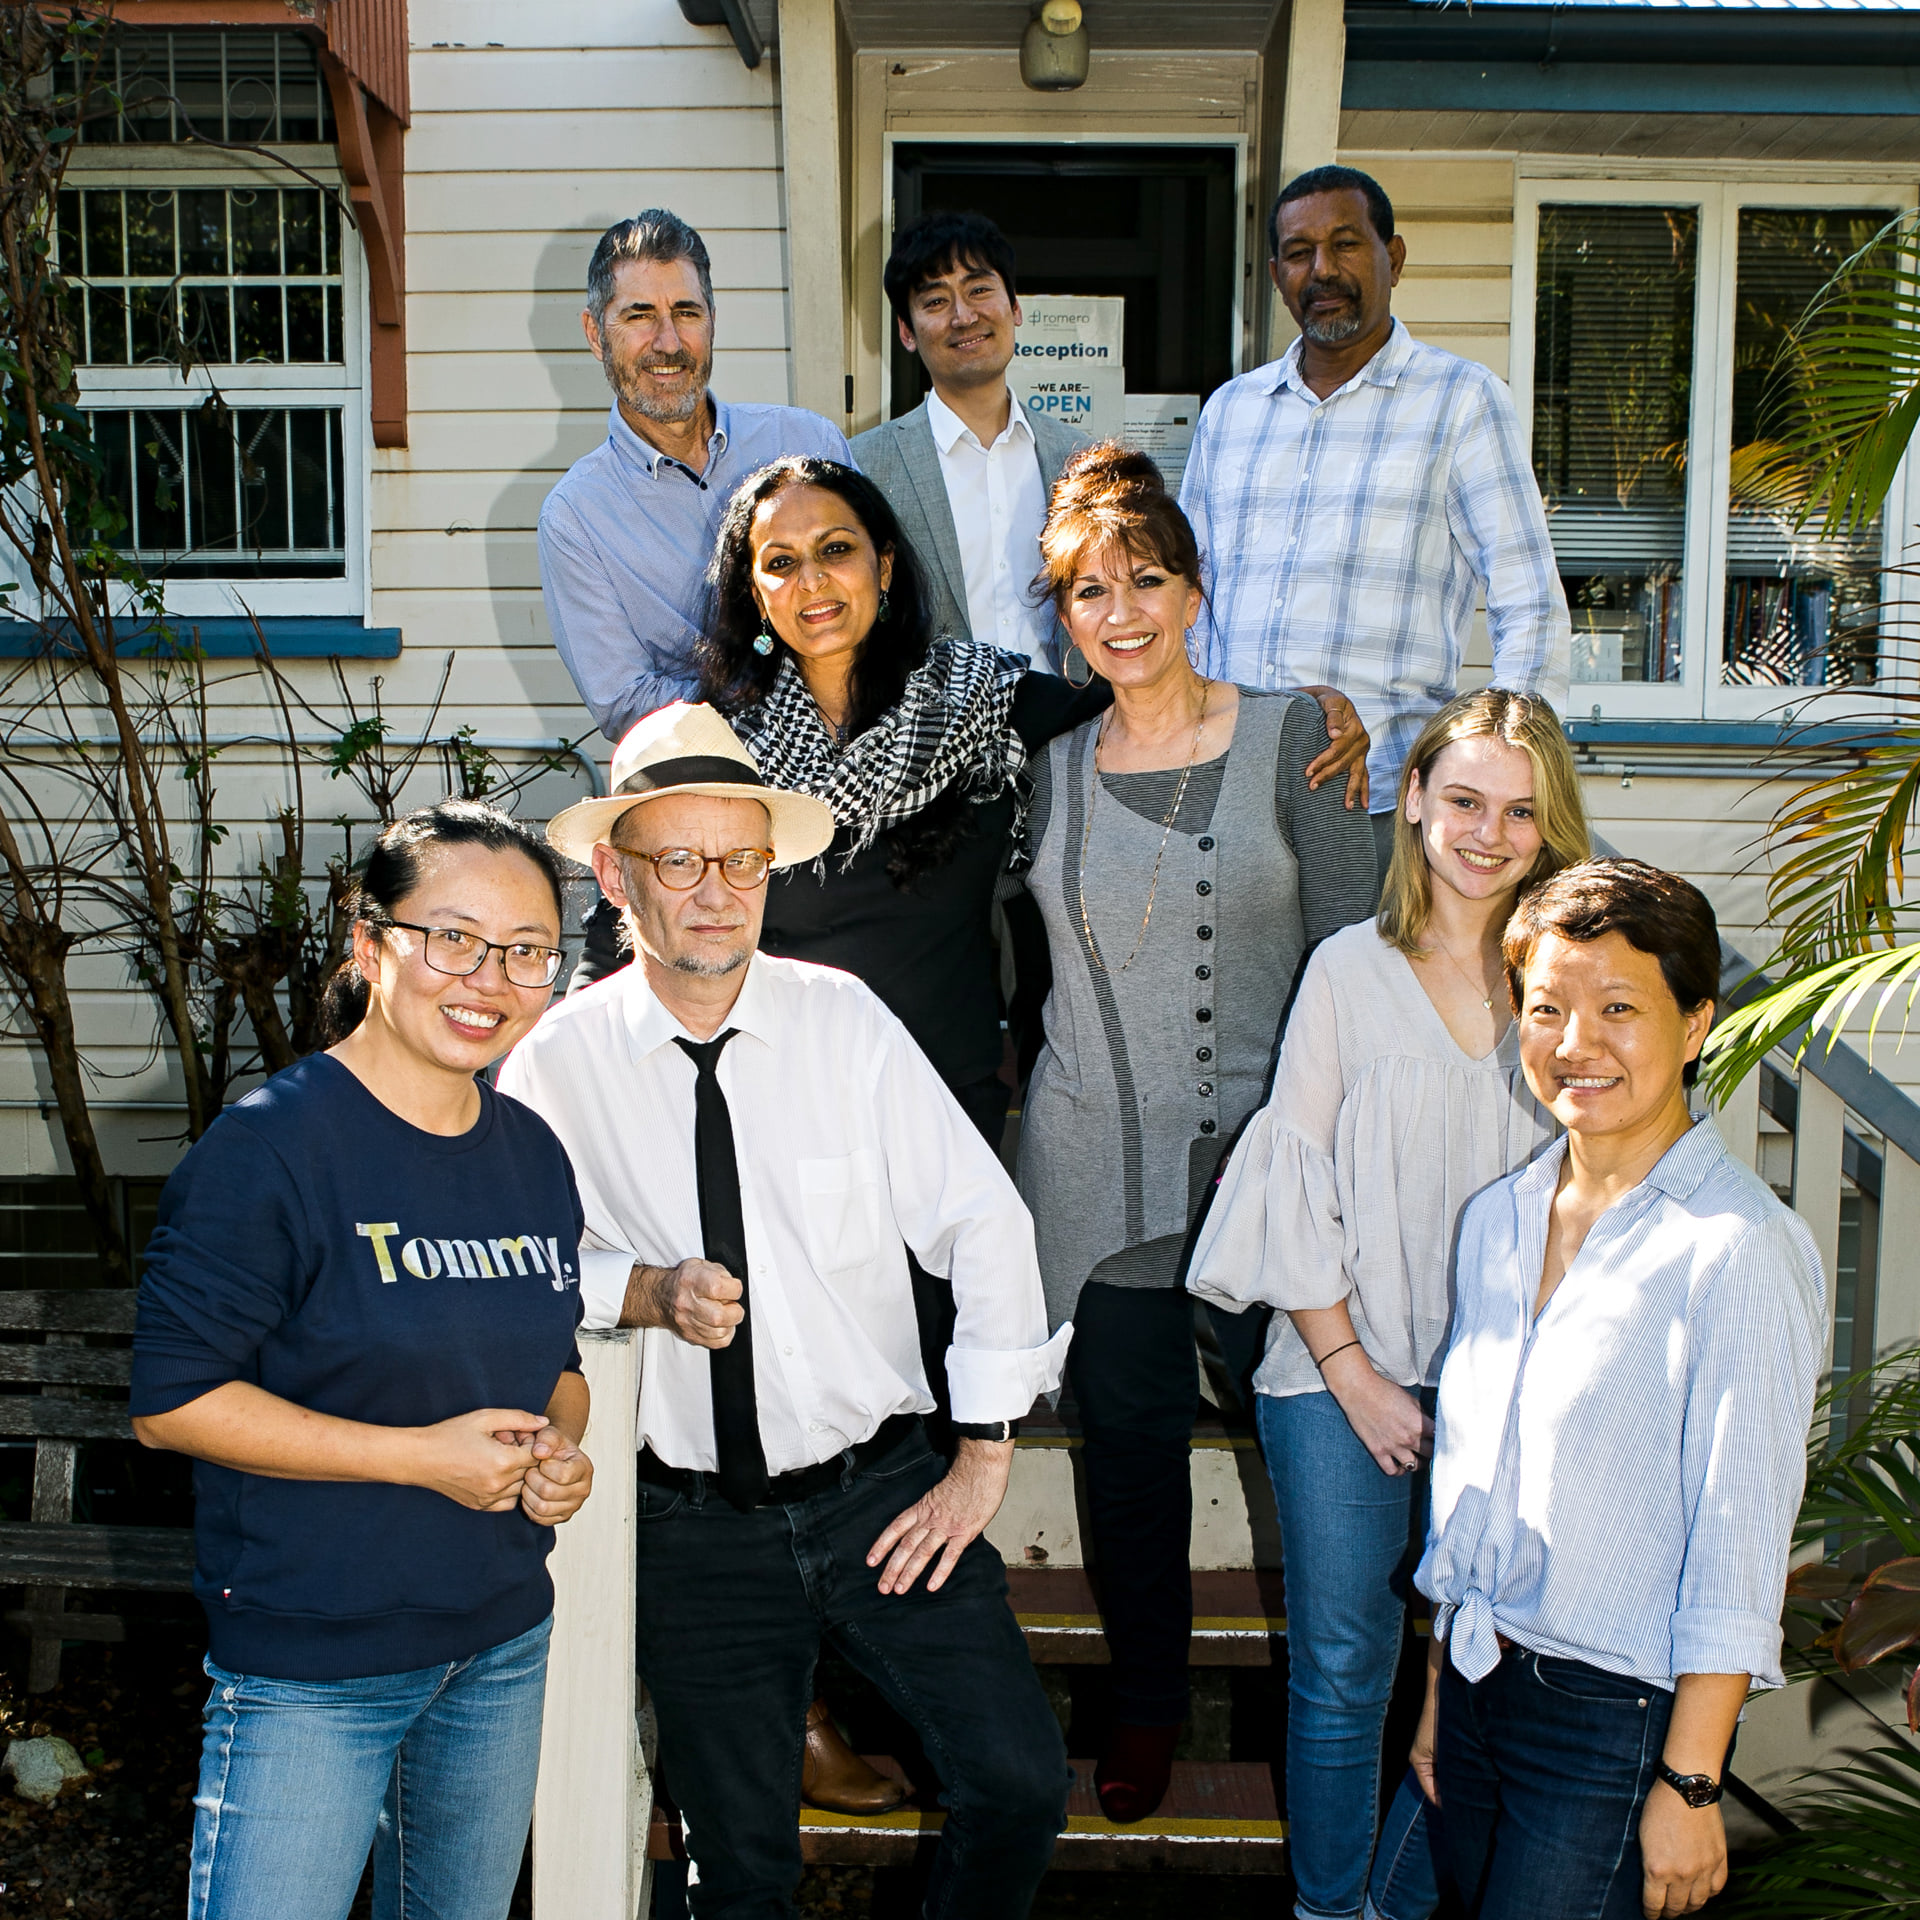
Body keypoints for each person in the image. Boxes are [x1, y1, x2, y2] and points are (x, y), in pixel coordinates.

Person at [498, 703, 1074, 1920]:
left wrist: (982, 1457)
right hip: (692, 1530)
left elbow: (984, 1223)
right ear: (615, 876)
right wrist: (641, 1290)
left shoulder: (844, 1021)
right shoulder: (558, 1062)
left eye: (744, 859)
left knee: (1019, 1785)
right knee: (741, 1871)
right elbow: (520, 1265)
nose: (719, 893)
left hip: (881, 1495)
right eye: (680, 861)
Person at [128, 802, 596, 1920]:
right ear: (370, 943)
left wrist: (558, 1449)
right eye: (454, 938)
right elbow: (172, 1403)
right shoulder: (270, 1149)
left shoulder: (532, 1152)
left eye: (526, 950)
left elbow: (556, 1364)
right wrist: (419, 1458)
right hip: (313, 1663)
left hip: (498, 1642)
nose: (488, 979)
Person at [1014, 441, 1379, 1825]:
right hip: (1099, 1174)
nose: (1122, 613)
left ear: (1195, 589)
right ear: (1063, 614)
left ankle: (1336, 1717)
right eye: (1089, 591)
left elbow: (1359, 955)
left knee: (1311, 1442)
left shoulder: (1296, 737)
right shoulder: (1044, 767)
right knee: (1129, 1463)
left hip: (1276, 1173)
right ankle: (1146, 1704)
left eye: (1147, 581)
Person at [1187, 689, 1591, 1920]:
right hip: (1338, 1367)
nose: (1487, 834)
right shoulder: (1347, 970)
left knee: (1483, 1663)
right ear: (1412, 801)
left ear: (1551, 828)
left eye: (1519, 812)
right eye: (1463, 800)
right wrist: (1352, 1371)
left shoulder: (1572, 988)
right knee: (1344, 1668)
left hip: (1512, 1385)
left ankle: (1396, 1904)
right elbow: (1292, 1182)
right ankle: (1327, 1910)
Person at [1412, 859, 1825, 1920]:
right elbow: (1468, 1482)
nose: (1575, 1043)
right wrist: (1439, 1697)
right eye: (1547, 1007)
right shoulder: (1498, 1219)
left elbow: (1739, 1538)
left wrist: (1694, 1783)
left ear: (1695, 1025)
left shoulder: (1739, 1247)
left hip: (1611, 1720)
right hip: (1476, 1692)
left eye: (1619, 1009)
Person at [1180, 163, 1571, 877]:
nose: (1322, 270)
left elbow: (1528, 602)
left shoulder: (1461, 401)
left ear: (1393, 256)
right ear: (1277, 275)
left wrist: (1506, 777)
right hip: (1235, 797)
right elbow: (1192, 602)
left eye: (1345, 244)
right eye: (1299, 253)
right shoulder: (1232, 411)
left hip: (1384, 806)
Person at [537, 207, 851, 745]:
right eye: (639, 316)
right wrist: (788, 707)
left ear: (712, 320)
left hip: (868, 752)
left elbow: (879, 597)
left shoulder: (807, 442)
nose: (668, 342)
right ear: (595, 333)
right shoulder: (576, 519)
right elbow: (625, 702)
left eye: (686, 312)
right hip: (706, 781)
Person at [851, 209, 1087, 666]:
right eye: (936, 301)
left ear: (1014, 307)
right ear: (906, 331)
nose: (963, 316)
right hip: (927, 711)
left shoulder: (1078, 457)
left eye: (979, 290)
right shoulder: (866, 468)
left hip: (1068, 708)